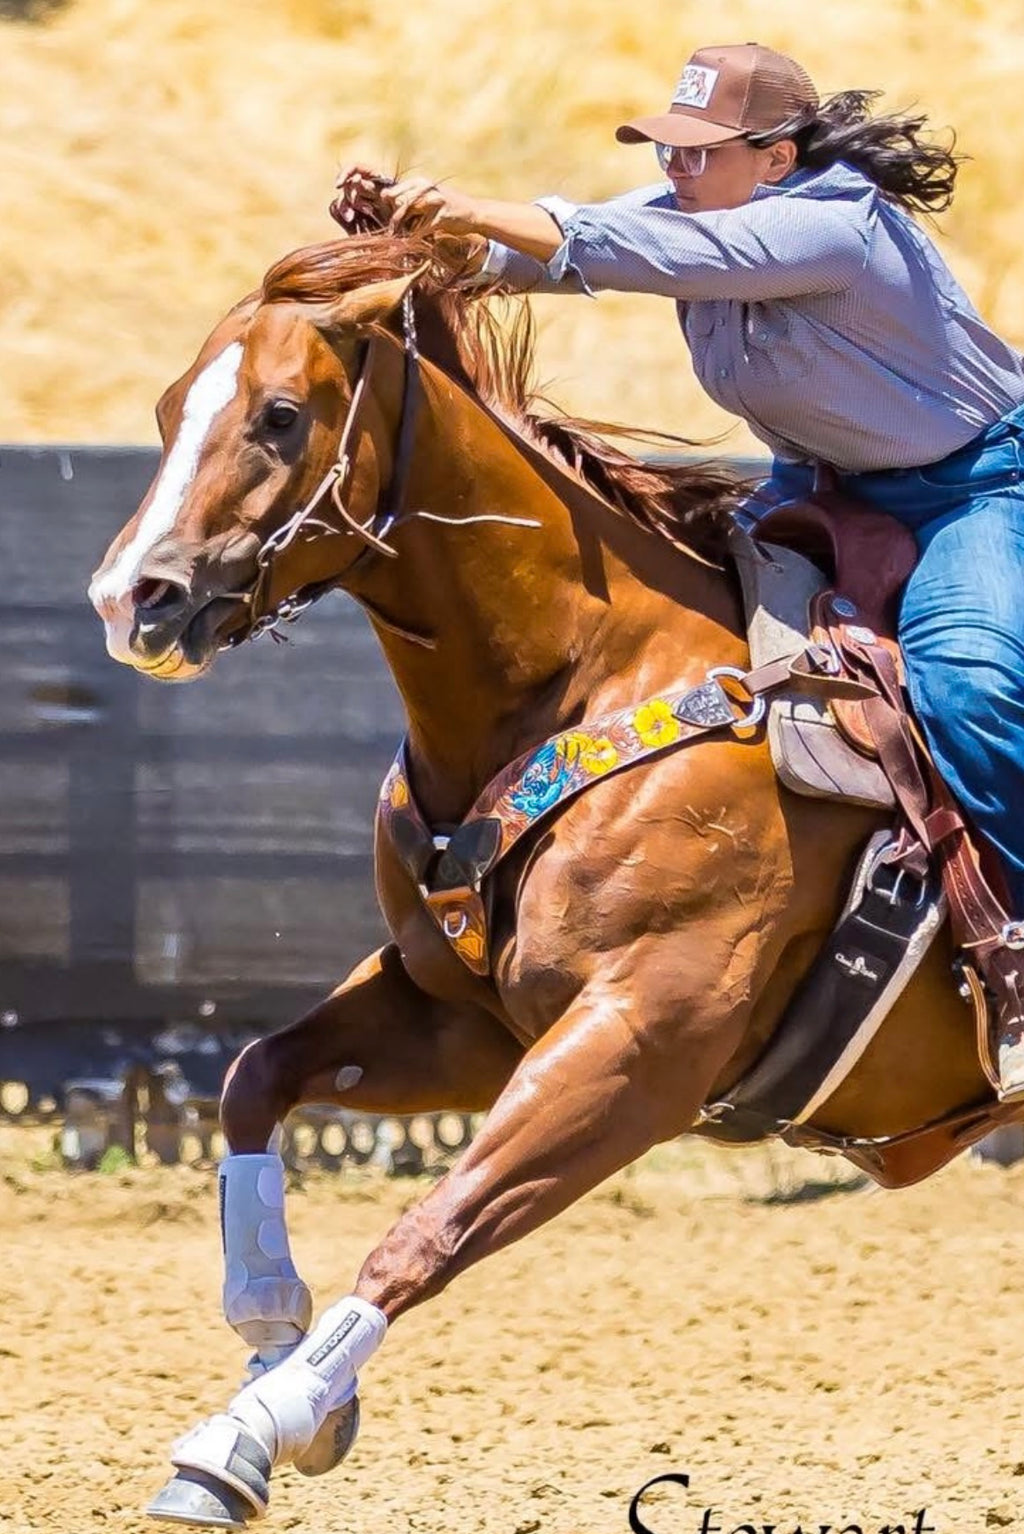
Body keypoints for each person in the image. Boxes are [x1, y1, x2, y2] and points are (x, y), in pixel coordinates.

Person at [335, 42, 1024, 1089]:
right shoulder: (706, 215)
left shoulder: (834, 226)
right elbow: (552, 255)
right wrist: (413, 238)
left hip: (978, 486)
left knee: (968, 685)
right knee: (679, 636)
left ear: (778, 157)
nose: (674, 169)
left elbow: (604, 243)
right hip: (826, 482)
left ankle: (1011, 951)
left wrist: (473, 205)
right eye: (669, 149)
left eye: (697, 153)